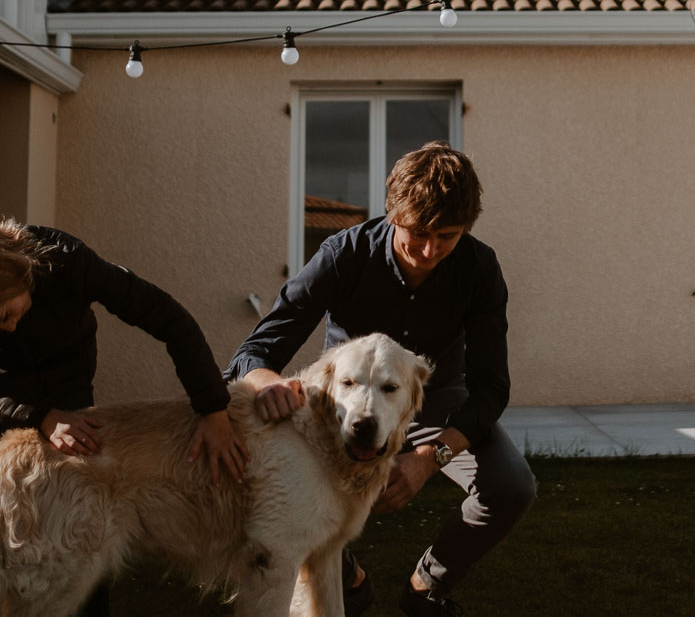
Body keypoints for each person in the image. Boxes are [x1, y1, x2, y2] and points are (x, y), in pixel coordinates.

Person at [0, 219, 248, 616]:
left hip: (66, 385)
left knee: (85, 521)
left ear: (12, 282)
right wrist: (38, 415)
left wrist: (212, 408)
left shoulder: (68, 261)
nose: (12, 325)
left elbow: (170, 320)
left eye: (9, 313)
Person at [226, 141, 534, 617]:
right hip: (340, 411)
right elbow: (255, 352)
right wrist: (267, 381)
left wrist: (429, 460)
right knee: (280, 480)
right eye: (420, 233)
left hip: (434, 404)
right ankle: (344, 573)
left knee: (513, 485)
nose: (431, 251)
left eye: (448, 236)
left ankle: (425, 587)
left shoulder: (479, 268)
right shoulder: (342, 254)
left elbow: (492, 386)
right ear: (394, 214)